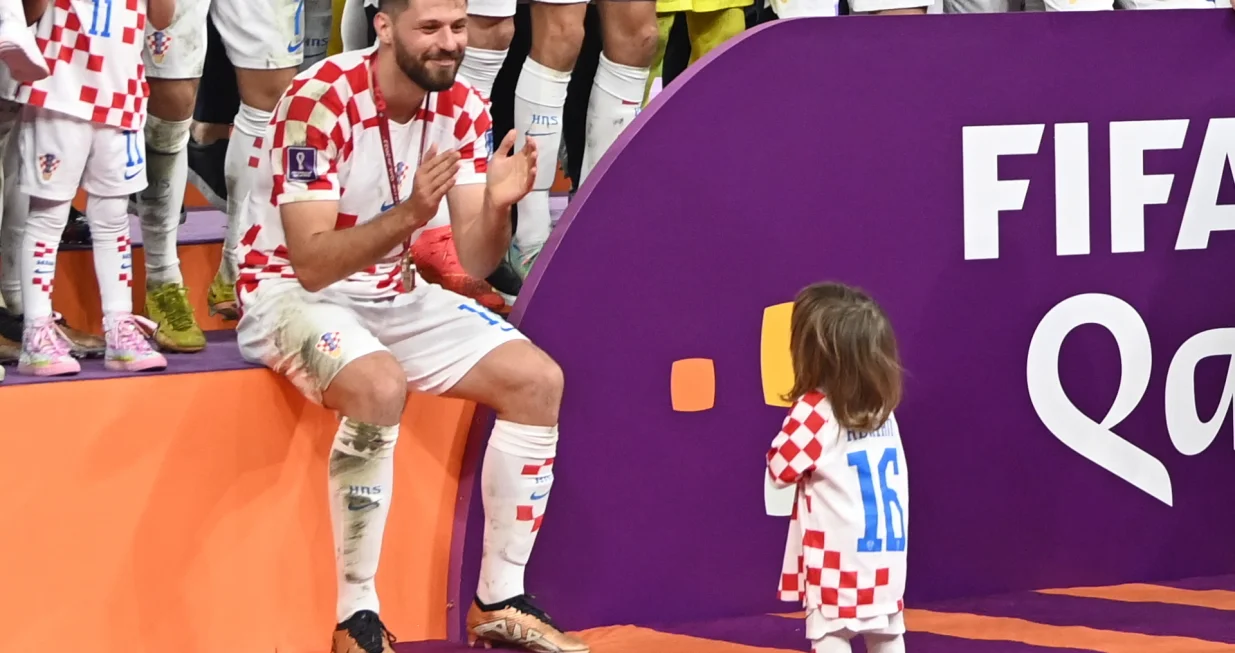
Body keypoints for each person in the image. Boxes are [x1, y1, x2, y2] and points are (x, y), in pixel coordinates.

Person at [232, 0, 588, 650]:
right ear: (384, 26)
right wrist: (412, 213)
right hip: (285, 295)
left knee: (538, 380)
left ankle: (499, 598)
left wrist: (500, 211)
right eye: (429, 28)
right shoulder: (321, 97)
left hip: (391, 293)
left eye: (456, 27)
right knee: (378, 385)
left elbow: (475, 259)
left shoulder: (463, 105)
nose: (447, 43)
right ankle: (355, 616)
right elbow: (310, 262)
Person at [12, 0, 174, 376]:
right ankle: (36, 333)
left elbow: (162, 18)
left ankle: (119, 328)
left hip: (123, 93)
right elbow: (29, 13)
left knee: (113, 217)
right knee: (48, 216)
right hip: (59, 89)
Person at [765, 282, 909, 653]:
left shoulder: (816, 411)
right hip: (886, 561)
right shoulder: (882, 411)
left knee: (830, 635)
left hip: (838, 563)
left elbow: (779, 469)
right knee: (888, 633)